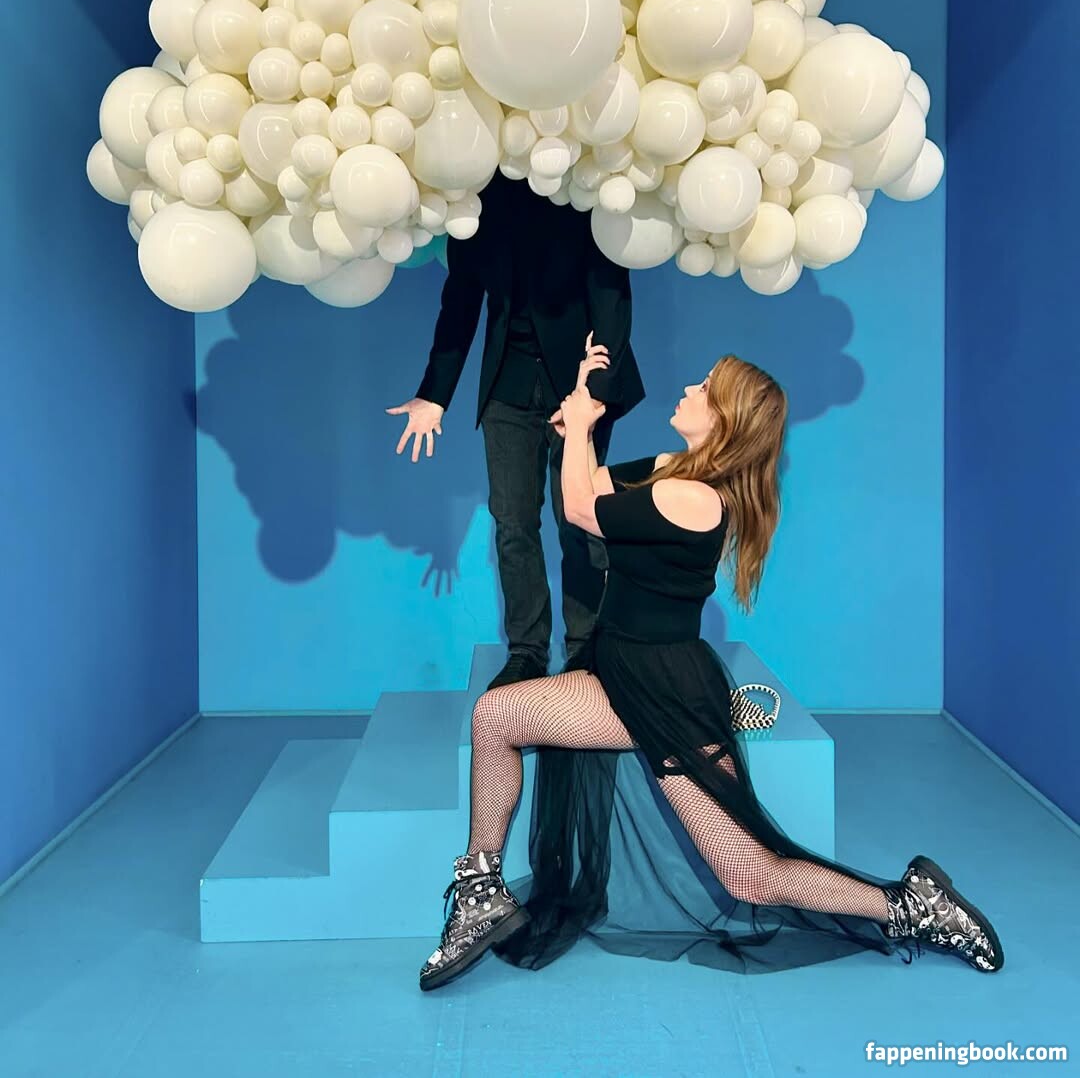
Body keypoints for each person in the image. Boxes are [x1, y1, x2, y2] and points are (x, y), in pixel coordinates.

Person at [417, 342, 1004, 990]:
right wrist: (578, 416)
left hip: (666, 693)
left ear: (725, 419)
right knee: (496, 715)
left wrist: (581, 426)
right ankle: (480, 893)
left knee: (749, 874)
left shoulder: (697, 498)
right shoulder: (671, 470)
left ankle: (912, 905)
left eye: (704, 388)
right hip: (620, 674)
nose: (689, 389)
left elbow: (582, 512)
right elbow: (594, 489)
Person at [387, 173, 644, 691]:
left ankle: (587, 648)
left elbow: (611, 289)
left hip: (577, 383)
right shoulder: (474, 194)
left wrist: (595, 393)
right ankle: (527, 651)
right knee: (512, 523)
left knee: (579, 518)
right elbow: (461, 299)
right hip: (508, 385)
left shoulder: (579, 181)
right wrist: (434, 395)